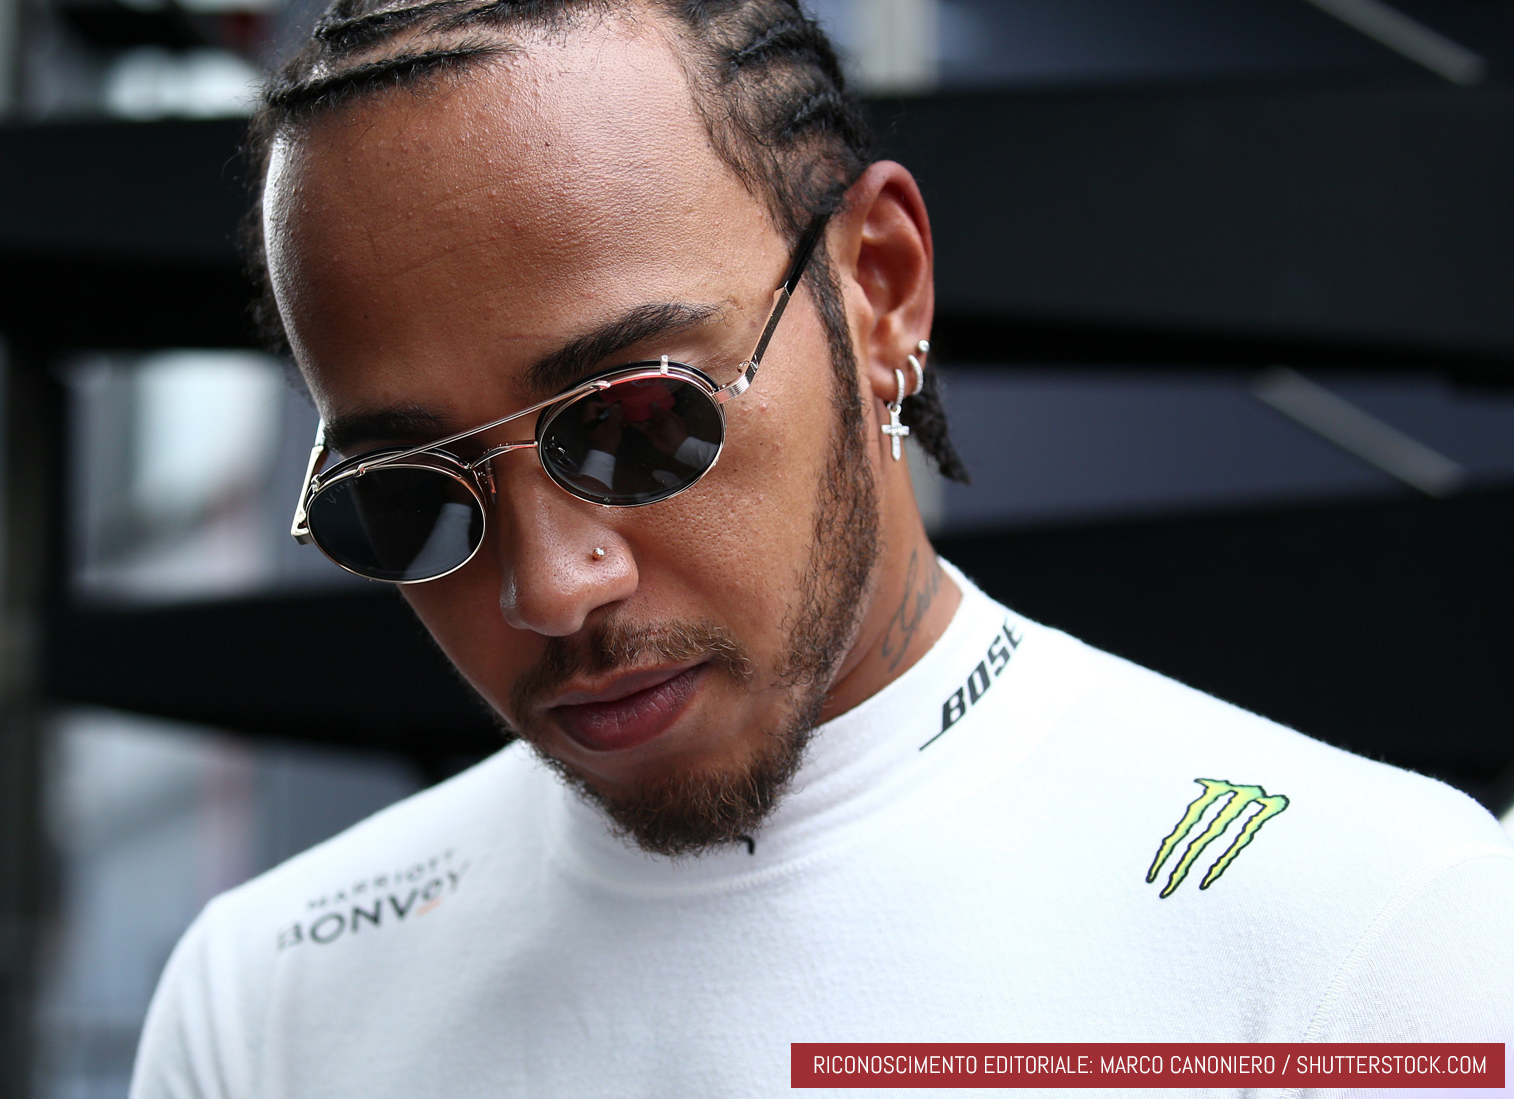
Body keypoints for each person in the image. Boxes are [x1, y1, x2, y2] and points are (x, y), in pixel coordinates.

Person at [130, 0, 1514, 1093]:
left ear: (881, 292)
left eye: (637, 424)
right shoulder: (271, 1004)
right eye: (412, 494)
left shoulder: (1366, 928)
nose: (554, 587)